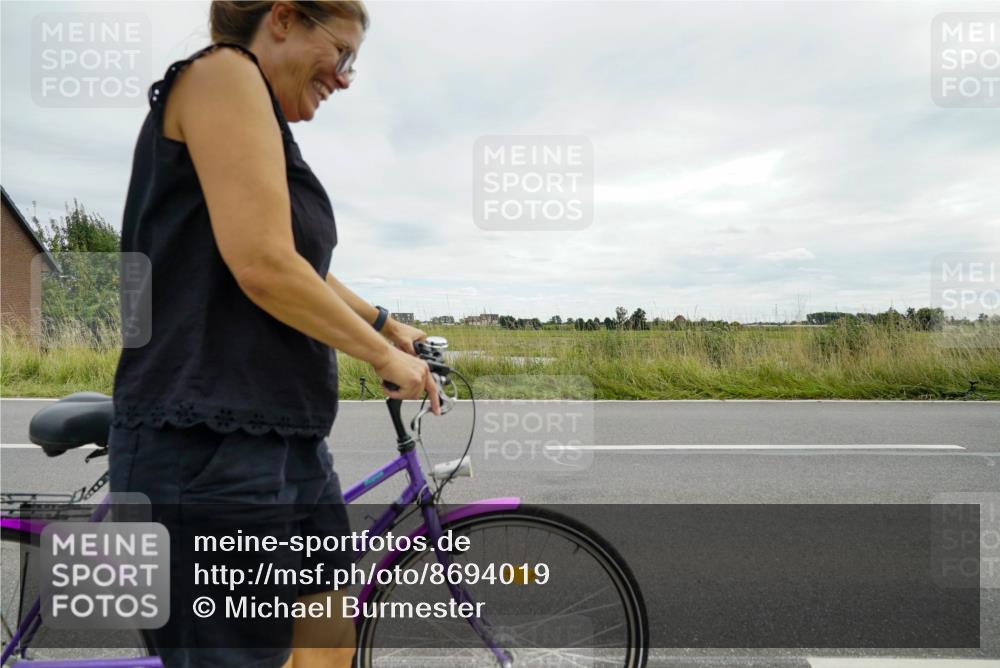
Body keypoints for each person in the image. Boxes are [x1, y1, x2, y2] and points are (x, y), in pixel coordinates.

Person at [108, 2, 439, 667]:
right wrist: (377, 354)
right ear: (283, 19)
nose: (346, 78)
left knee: (325, 639)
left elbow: (296, 259)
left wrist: (385, 324)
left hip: (284, 439)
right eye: (341, 54)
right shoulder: (224, 75)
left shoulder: (265, 124)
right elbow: (263, 264)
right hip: (209, 441)